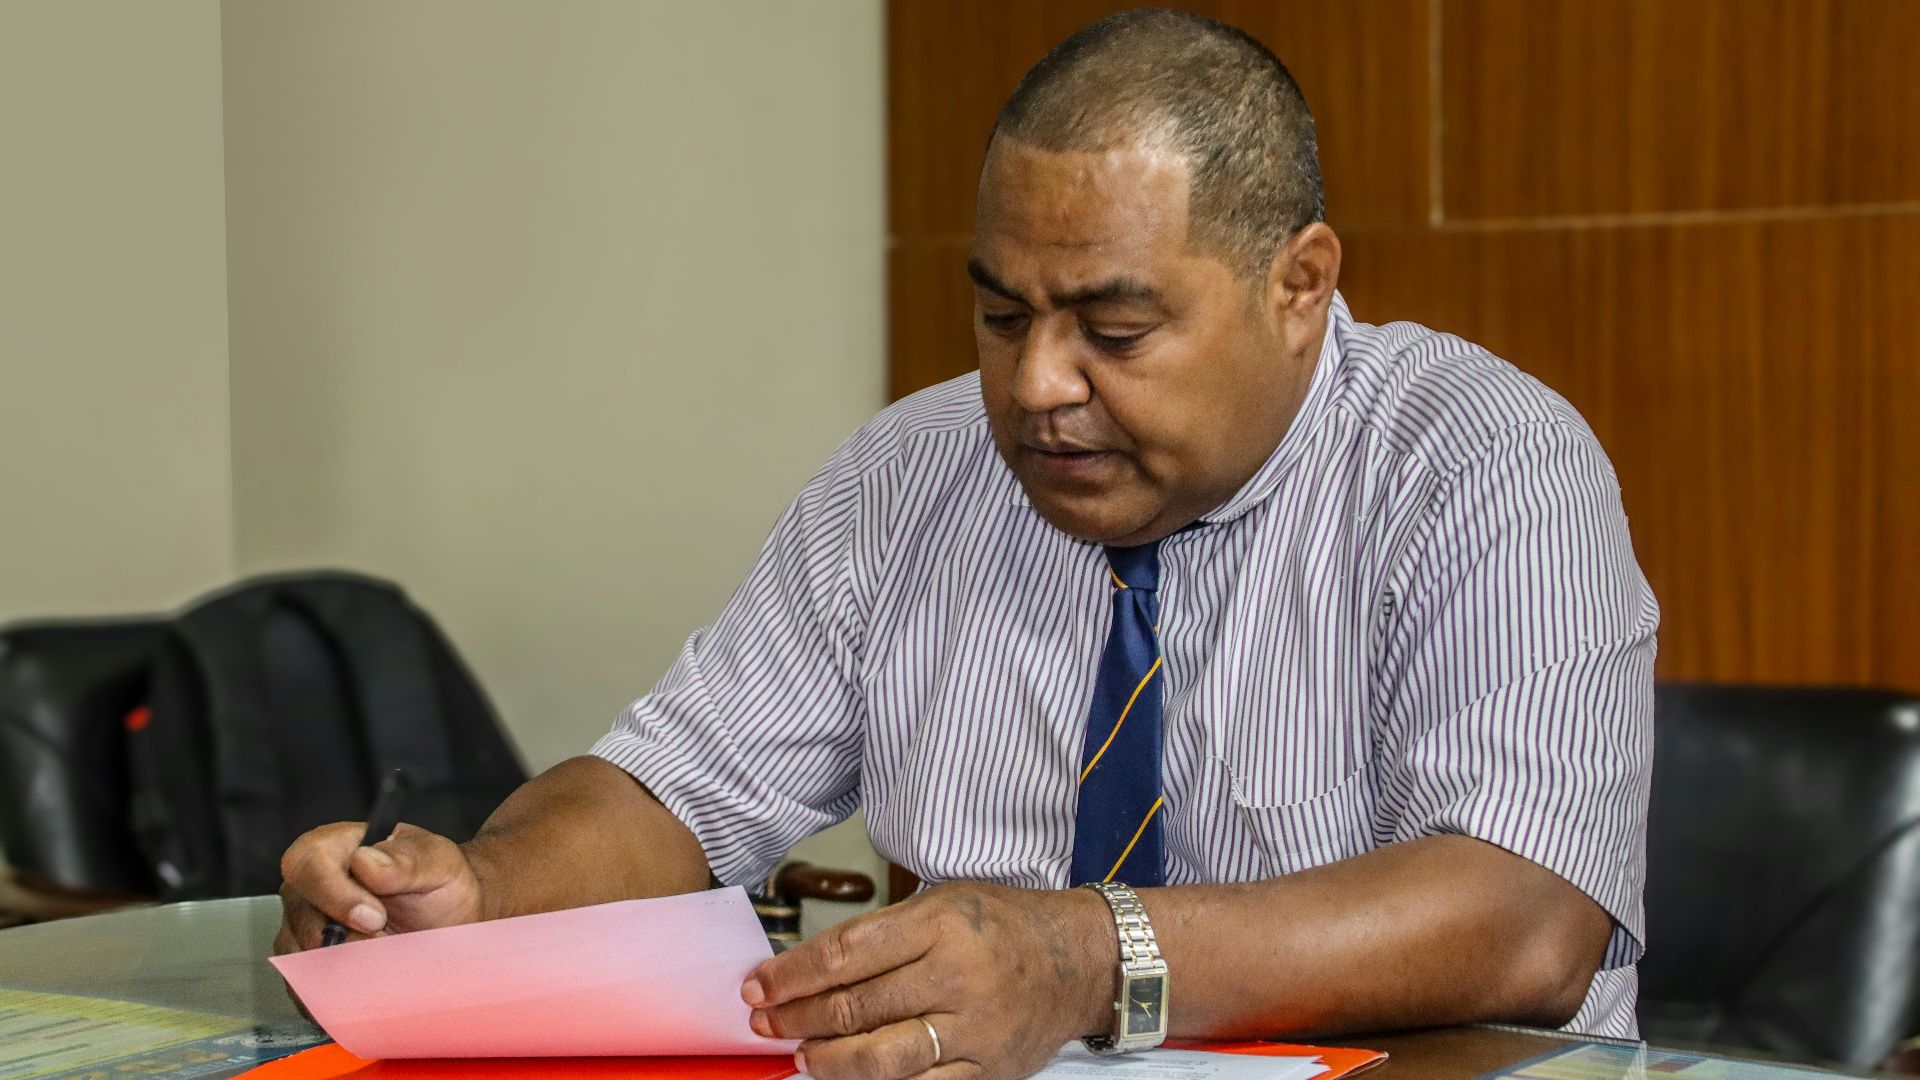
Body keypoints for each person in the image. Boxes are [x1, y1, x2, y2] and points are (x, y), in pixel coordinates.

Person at [277, 10, 1657, 1080]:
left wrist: (1081, 954)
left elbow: (1530, 916)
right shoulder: (911, 472)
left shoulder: (1479, 462)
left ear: (1297, 285)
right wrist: (486, 891)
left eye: (1114, 332)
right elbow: (669, 789)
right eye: (1002, 318)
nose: (1038, 385)